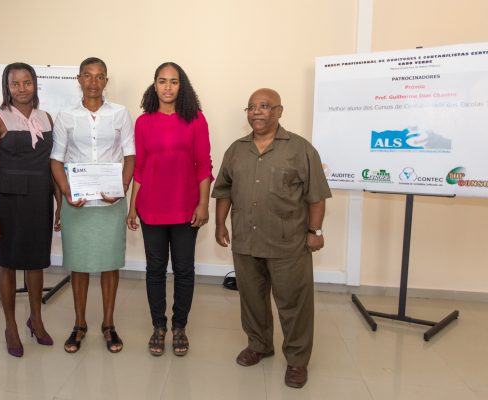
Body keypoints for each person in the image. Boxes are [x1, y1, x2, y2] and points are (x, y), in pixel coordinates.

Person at [211, 88, 331, 388]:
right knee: (252, 299)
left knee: (294, 304)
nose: (257, 112)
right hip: (246, 241)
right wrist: (220, 224)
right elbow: (224, 190)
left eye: (264, 106)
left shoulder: (301, 149)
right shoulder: (236, 150)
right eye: (251, 107)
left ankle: (297, 360)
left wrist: (315, 232)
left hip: (287, 243)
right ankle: (259, 345)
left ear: (279, 111)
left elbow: (316, 196)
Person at [127, 62, 214, 357]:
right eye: (162, 81)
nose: (167, 87)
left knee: (184, 269)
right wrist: (132, 207)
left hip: (185, 207)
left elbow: (204, 165)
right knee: (154, 269)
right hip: (150, 207)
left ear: (181, 85)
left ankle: (179, 327)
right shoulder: (143, 122)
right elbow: (140, 167)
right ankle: (158, 326)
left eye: (173, 81)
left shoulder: (196, 119)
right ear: (154, 85)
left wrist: (203, 204)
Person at [50, 57, 135, 354]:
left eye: (100, 76)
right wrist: (66, 192)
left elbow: (130, 156)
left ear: (106, 81)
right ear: (79, 79)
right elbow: (56, 160)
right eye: (88, 75)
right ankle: (80, 324)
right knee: (80, 265)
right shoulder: (66, 116)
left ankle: (108, 324)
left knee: (110, 264)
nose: (93, 82)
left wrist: (121, 189)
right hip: (77, 204)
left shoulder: (120, 113)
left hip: (111, 203)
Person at [0, 62, 60, 357]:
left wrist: (60, 203)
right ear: (7, 87)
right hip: (9, 202)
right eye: (15, 83)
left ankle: (36, 320)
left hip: (40, 198)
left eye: (27, 82)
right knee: (8, 262)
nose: (22, 89)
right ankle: (11, 326)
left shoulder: (45, 117)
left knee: (37, 262)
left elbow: (52, 165)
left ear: (35, 84)